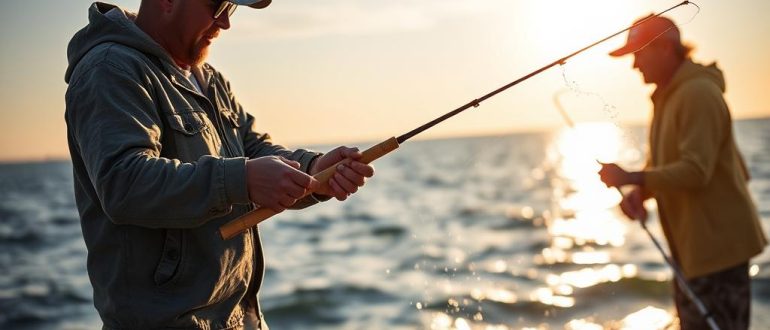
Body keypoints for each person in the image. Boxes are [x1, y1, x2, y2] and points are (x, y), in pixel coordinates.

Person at [64, 1, 375, 329]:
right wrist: (242, 180)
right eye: (218, 4)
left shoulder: (208, 78)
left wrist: (314, 171)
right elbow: (124, 183)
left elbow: (253, 148)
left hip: (240, 319)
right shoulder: (110, 68)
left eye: (232, 7)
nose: (225, 22)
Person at [597, 15, 767, 330]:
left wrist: (632, 178)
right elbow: (665, 164)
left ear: (665, 48)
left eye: (639, 53)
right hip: (692, 256)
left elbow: (695, 170)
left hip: (719, 256)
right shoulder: (667, 98)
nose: (635, 65)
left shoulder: (697, 93)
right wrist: (641, 193)